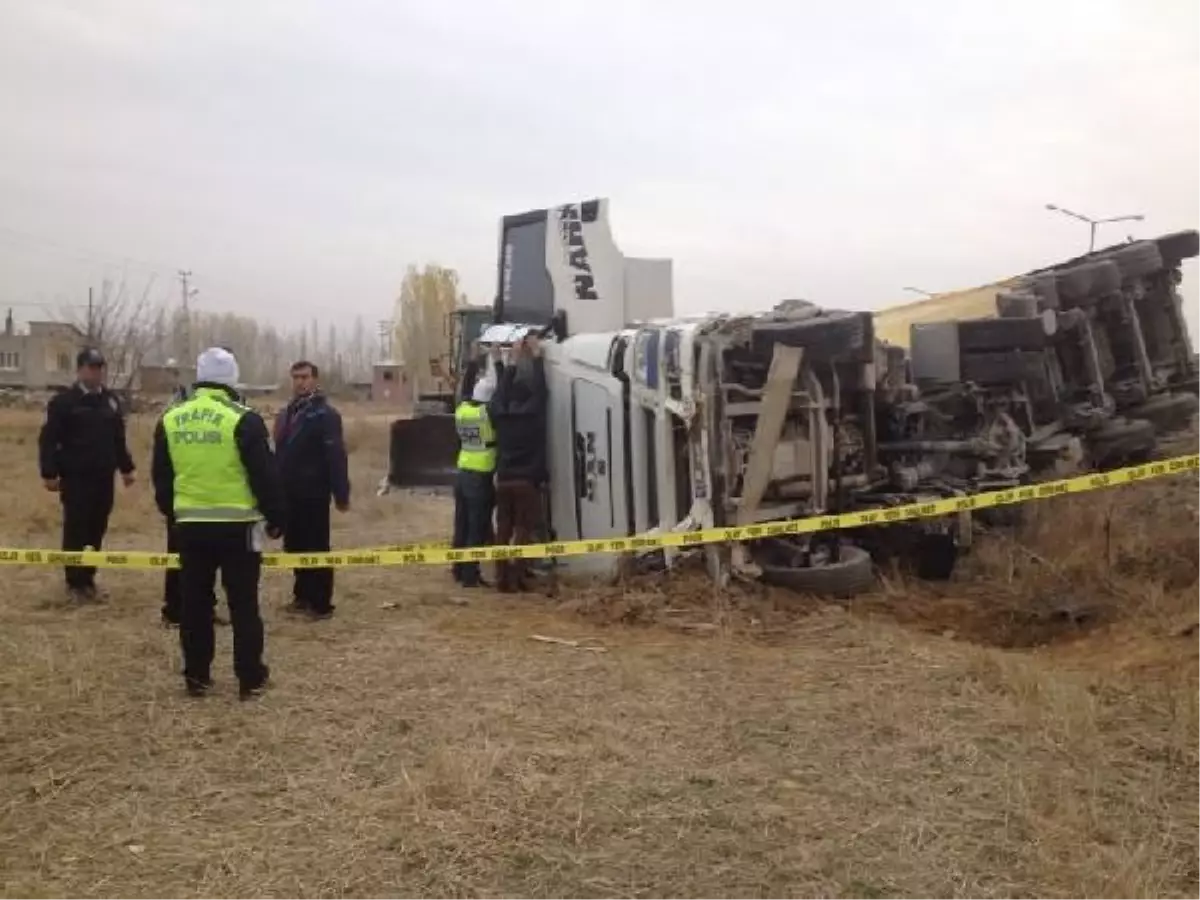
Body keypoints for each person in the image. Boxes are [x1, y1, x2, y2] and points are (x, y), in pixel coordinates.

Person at [151, 347, 285, 699]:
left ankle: (196, 678)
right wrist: (276, 518)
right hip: (240, 526)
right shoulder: (244, 418)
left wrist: (175, 515)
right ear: (232, 380)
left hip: (190, 526)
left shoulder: (170, 418)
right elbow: (264, 475)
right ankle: (250, 679)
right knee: (243, 604)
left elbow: (162, 478)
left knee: (194, 603)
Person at [37, 348, 136, 602]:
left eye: (101, 367)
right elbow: (49, 440)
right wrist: (49, 472)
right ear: (80, 370)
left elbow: (118, 438)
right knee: (76, 529)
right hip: (76, 478)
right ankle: (74, 583)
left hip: (104, 478)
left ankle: (89, 579)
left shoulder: (111, 401)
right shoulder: (64, 402)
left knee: (96, 529)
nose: (98, 372)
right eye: (92, 367)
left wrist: (126, 468)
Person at [273, 360, 350, 619]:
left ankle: (321, 603)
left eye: (305, 377)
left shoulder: (326, 415)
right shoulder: (286, 413)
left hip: (314, 493)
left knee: (316, 547)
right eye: (295, 377)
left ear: (315, 379)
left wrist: (341, 493)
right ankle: (302, 596)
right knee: (294, 546)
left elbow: (336, 456)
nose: (300, 382)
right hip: (289, 493)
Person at [488, 335, 548, 592]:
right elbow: (541, 390)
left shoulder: (500, 415)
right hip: (526, 482)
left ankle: (502, 577)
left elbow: (500, 393)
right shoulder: (532, 415)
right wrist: (536, 356)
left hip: (504, 480)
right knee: (523, 529)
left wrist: (506, 363)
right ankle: (519, 574)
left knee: (503, 528)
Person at [451, 365, 497, 588]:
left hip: (462, 472)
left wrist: (470, 366)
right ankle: (470, 575)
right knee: (476, 527)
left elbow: (464, 393)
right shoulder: (486, 414)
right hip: (480, 477)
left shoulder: (462, 411)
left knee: (461, 524)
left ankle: (458, 570)